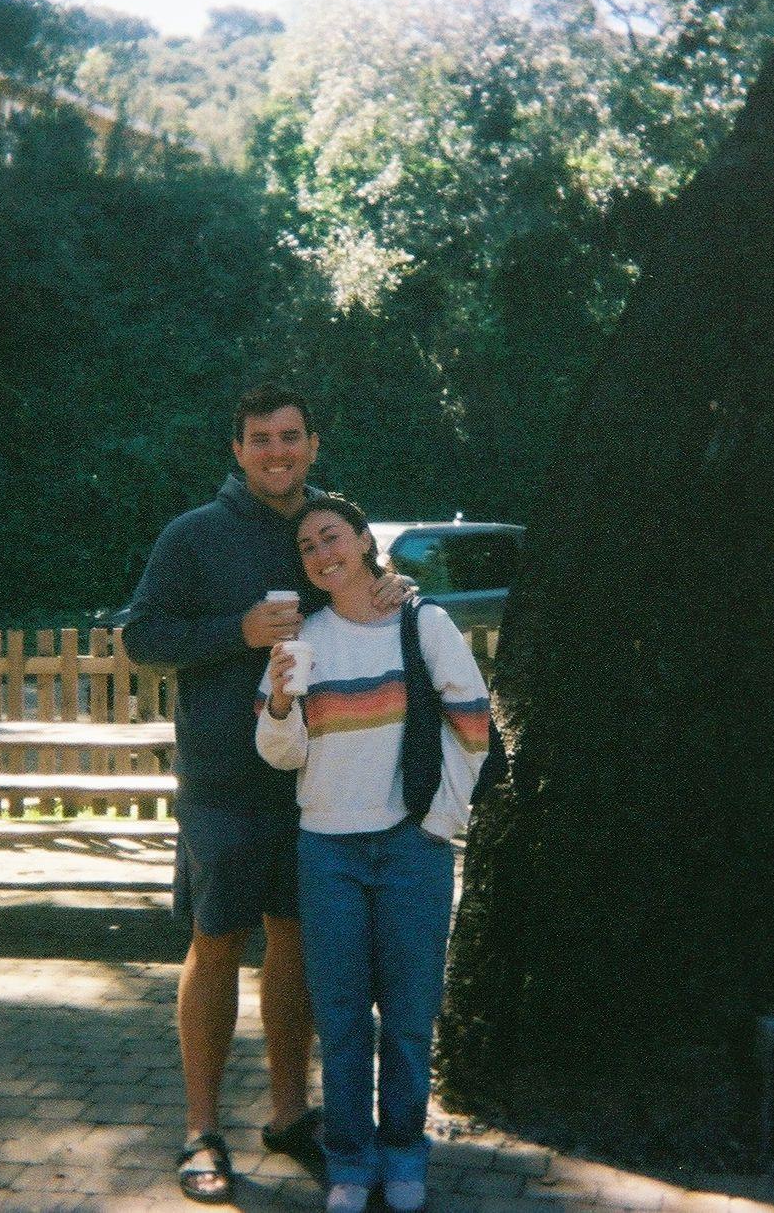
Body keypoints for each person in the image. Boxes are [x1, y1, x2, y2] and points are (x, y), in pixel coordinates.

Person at [120, 387, 406, 1204]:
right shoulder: (194, 536)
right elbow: (141, 637)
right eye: (259, 439)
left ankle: (289, 1114)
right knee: (217, 942)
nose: (276, 452)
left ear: (313, 444)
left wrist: (397, 591)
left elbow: (375, 593)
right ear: (237, 450)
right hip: (221, 782)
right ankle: (201, 1130)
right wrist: (235, 633)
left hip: (316, 781)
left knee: (296, 943)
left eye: (290, 437)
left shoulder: (330, 528)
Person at [256, 495, 490, 1213]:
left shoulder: (424, 622)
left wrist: (438, 823)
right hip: (326, 851)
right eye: (307, 547)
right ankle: (352, 1162)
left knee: (412, 1017)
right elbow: (280, 754)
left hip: (410, 849)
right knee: (344, 1019)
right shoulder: (302, 643)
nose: (322, 553)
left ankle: (404, 1154)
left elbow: (474, 724)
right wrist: (280, 701)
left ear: (362, 542)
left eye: (332, 537)